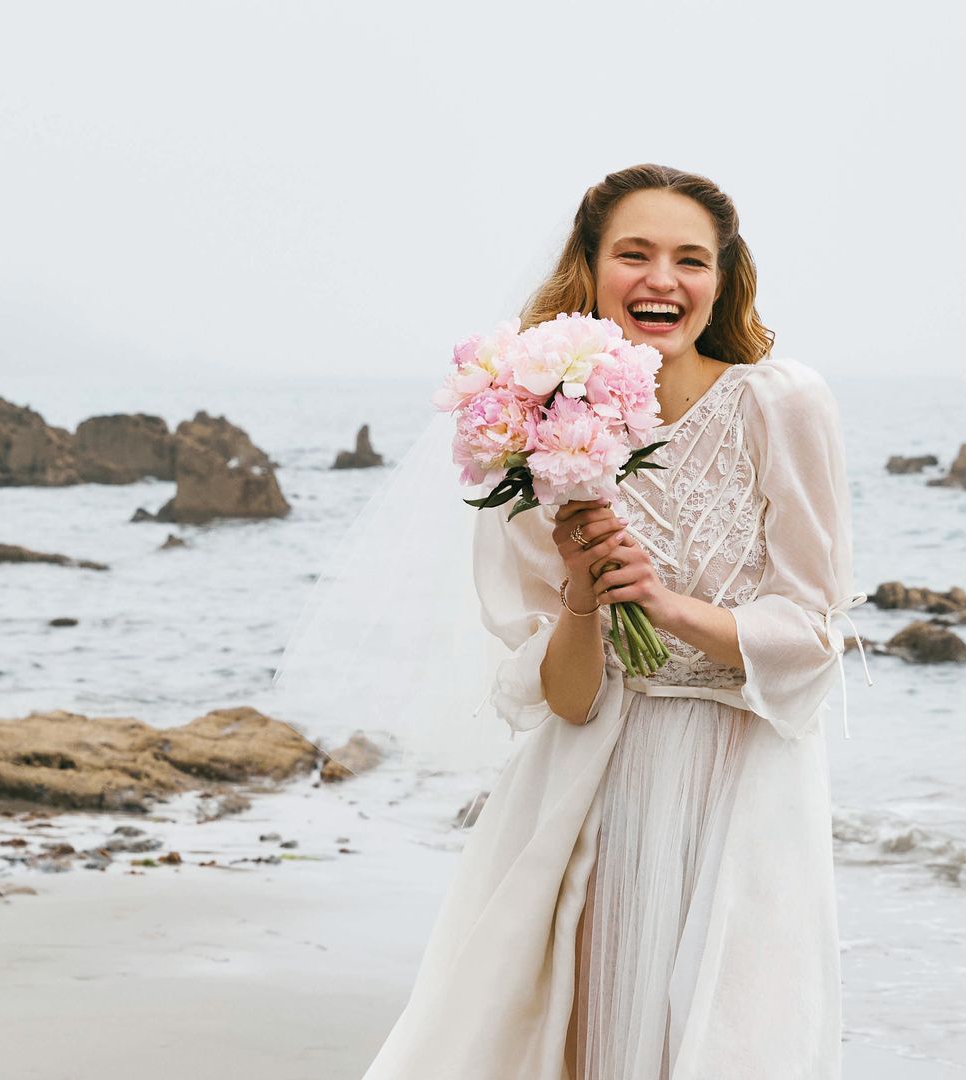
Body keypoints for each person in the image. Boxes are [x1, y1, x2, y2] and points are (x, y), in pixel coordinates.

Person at [361, 163, 867, 1080]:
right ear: (591, 271)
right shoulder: (533, 435)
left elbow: (813, 636)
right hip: (594, 785)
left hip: (743, 779)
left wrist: (668, 607)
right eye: (634, 254)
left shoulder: (781, 403)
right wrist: (586, 597)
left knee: (733, 1043)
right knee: (581, 1046)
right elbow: (566, 700)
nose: (662, 280)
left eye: (691, 259)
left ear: (722, 278)